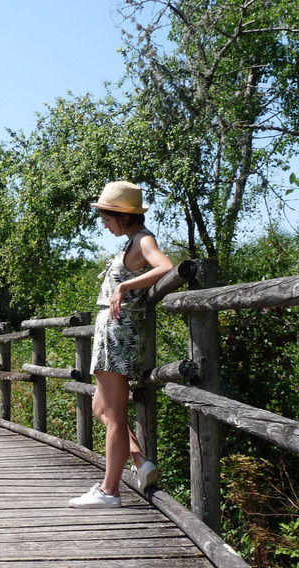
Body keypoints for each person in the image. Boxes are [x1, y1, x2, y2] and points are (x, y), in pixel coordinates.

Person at [69, 181, 173, 509]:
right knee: (101, 408)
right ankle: (139, 460)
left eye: (105, 216)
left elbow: (165, 267)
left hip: (120, 336)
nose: (103, 222)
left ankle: (109, 491)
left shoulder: (143, 240)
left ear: (122, 216)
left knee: (114, 415)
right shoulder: (130, 242)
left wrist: (125, 286)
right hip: (111, 335)